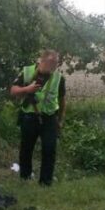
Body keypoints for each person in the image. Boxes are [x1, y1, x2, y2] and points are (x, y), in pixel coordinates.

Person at [10, 50, 66, 186]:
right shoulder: (27, 72)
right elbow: (13, 90)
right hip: (29, 116)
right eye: (50, 63)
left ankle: (45, 182)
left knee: (49, 148)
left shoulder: (59, 78)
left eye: (55, 64)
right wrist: (26, 90)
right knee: (26, 148)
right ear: (41, 61)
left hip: (50, 117)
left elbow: (62, 100)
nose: (52, 67)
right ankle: (25, 176)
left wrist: (60, 120)